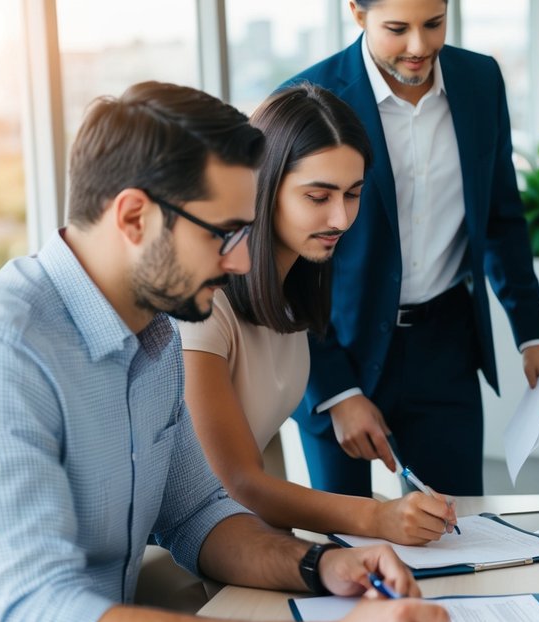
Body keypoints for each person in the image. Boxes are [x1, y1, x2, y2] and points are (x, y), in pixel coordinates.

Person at [0, 82, 451, 622]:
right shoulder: (3, 351)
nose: (239, 262)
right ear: (133, 216)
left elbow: (200, 513)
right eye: (222, 233)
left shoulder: (155, 334)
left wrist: (321, 565)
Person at [288, 0, 539, 497]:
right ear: (357, 11)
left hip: (445, 347)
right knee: (344, 542)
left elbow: (501, 217)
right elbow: (283, 263)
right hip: (335, 345)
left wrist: (532, 337)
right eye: (397, 28)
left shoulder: (481, 80)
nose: (420, 46)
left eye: (434, 24)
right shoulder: (306, 100)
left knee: (454, 530)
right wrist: (335, 391)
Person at [179, 83, 456, 545]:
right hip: (171, 551)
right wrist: (375, 517)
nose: (342, 219)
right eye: (318, 196)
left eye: (352, 194)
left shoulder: (293, 295)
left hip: (233, 537)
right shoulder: (204, 304)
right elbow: (237, 484)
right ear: (263, 186)